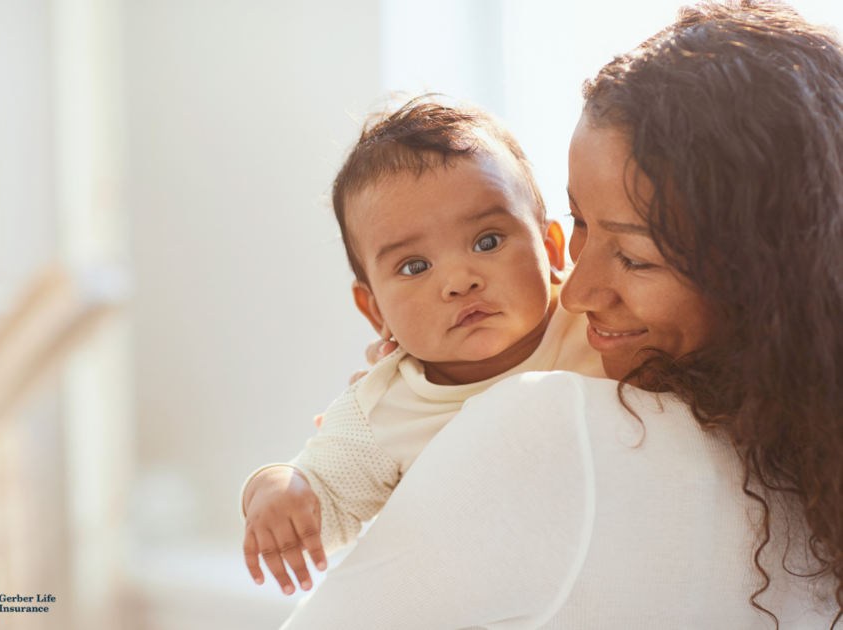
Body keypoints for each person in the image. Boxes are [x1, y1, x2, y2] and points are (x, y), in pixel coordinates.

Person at [278, 2, 843, 628]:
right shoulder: (807, 455)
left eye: (633, 256)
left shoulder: (545, 420)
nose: (573, 292)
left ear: (764, 277)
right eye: (580, 222)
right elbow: (325, 492)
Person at [240, 99, 605, 595]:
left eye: (488, 241)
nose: (458, 281)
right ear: (375, 312)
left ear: (552, 249)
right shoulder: (384, 405)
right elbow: (326, 499)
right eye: (414, 266)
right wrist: (276, 487)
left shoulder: (596, 321)